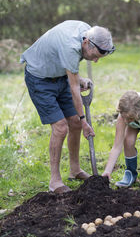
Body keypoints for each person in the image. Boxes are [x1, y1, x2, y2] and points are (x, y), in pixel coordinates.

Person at [20, 20, 115, 194]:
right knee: (61, 127)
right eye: (94, 56)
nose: (95, 61)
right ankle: (55, 181)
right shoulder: (71, 46)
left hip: (60, 77)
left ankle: (75, 170)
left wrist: (79, 79)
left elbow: (70, 72)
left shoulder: (88, 32)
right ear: (86, 43)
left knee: (75, 122)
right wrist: (84, 121)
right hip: (40, 79)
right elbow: (73, 89)